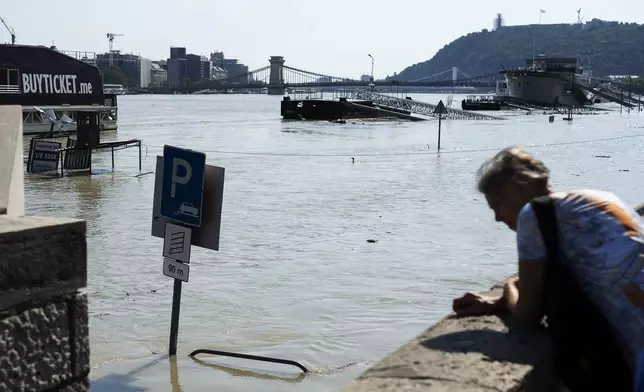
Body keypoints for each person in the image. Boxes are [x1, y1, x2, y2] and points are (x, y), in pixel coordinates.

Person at [452, 146, 644, 389]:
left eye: (497, 205)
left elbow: (527, 315)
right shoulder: (599, 198)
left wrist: (510, 287)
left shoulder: (533, 214)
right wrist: (500, 301)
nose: (497, 218)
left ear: (520, 185)